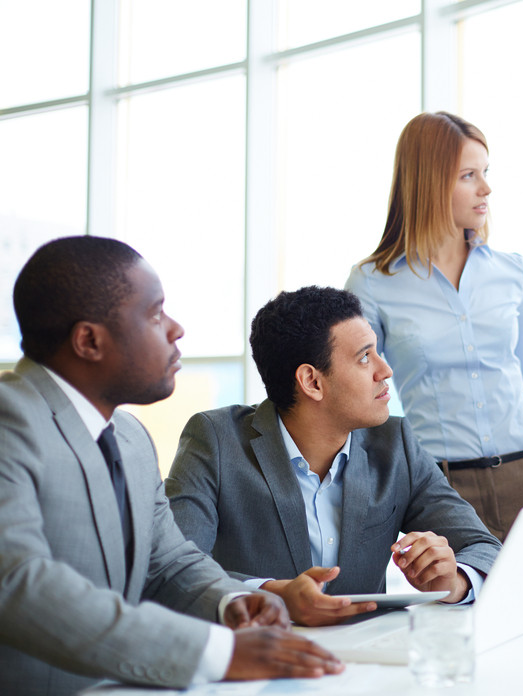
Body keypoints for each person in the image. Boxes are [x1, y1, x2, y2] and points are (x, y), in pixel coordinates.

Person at [0, 237, 342, 696]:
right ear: (89, 340)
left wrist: (233, 603)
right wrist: (218, 653)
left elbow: (167, 563)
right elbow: (17, 583)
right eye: (155, 314)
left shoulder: (131, 437)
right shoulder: (10, 418)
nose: (176, 329)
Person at [166, 286, 502, 627]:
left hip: (371, 660)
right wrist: (273, 594)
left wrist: (453, 581)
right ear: (312, 382)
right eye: (364, 357)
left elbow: (484, 547)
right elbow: (173, 568)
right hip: (258, 656)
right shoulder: (215, 439)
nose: (384, 371)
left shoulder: (395, 442)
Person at [344, 111, 523, 541]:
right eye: (469, 175)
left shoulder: (512, 271)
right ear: (429, 182)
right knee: (459, 607)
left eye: (485, 172)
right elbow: (359, 398)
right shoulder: (372, 283)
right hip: (443, 487)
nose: (486, 188)